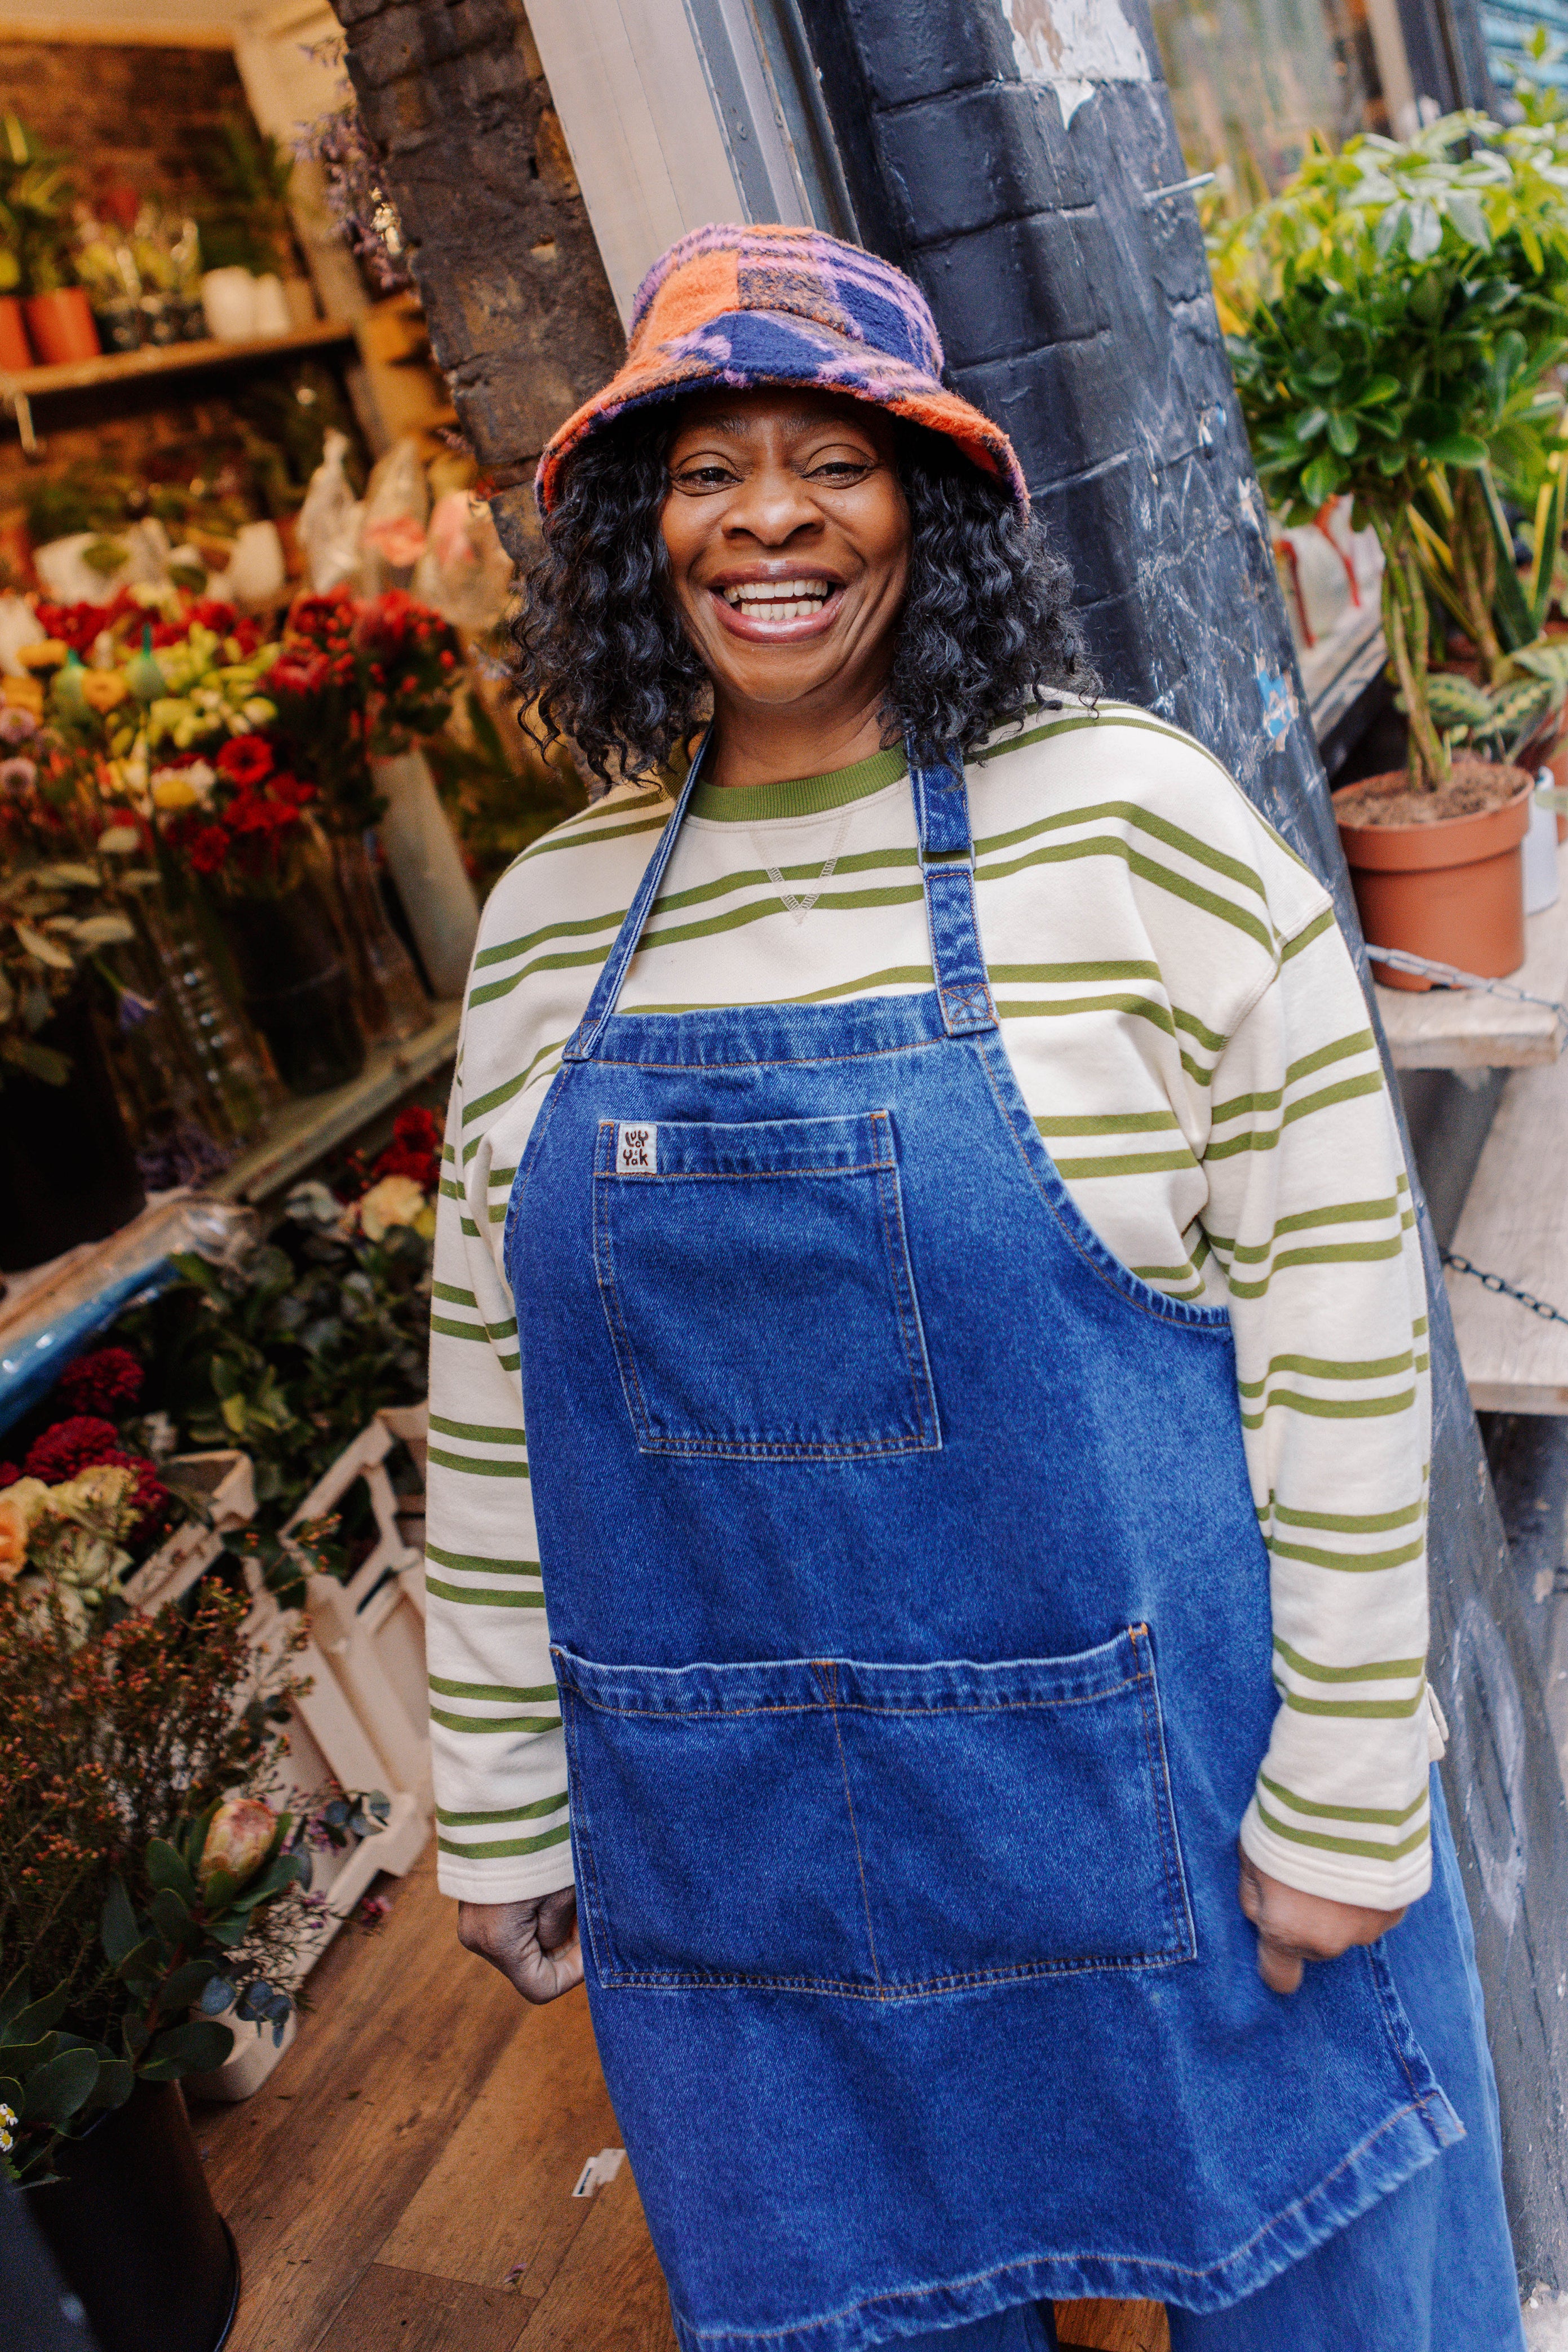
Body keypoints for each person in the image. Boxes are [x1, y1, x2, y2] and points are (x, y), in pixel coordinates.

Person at [426, 225, 1522, 2351]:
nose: (766, 518)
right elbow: (491, 1376)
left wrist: (1354, 1777)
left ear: (929, 515)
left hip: (1179, 1805)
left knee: (1333, 2297)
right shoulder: (557, 915)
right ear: (629, 535)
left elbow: (1344, 1328)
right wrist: (494, 1791)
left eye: (831, 458)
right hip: (745, 1867)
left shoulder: (1133, 827)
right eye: (701, 467)